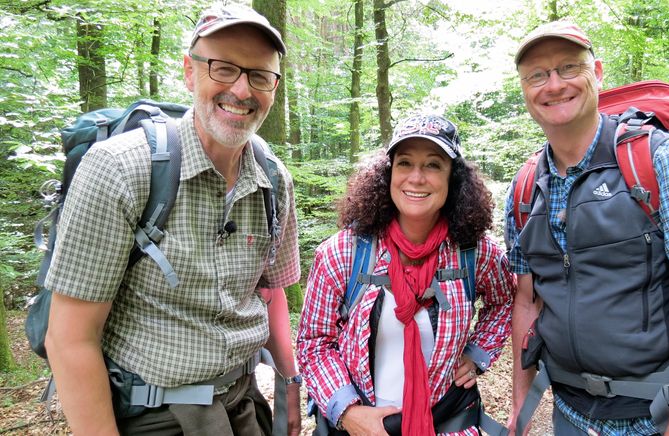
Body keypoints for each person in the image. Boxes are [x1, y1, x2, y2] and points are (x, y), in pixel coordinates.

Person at [44, 4, 302, 435]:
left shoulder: (274, 180)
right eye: (223, 68)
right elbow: (70, 339)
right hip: (155, 416)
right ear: (189, 71)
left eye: (259, 76)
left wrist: (289, 382)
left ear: (274, 87)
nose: (242, 90)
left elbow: (269, 291)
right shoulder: (120, 169)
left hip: (243, 405)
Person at [505, 20, 669, 435]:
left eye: (568, 68)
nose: (554, 84)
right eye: (537, 75)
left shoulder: (660, 162)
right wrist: (521, 403)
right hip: (570, 414)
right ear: (524, 89)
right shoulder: (526, 187)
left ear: (597, 73)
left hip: (658, 416)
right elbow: (527, 302)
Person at [297, 114, 515, 435]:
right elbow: (313, 344)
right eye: (405, 163)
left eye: (433, 164)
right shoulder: (343, 253)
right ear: (388, 174)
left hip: (447, 421)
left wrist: (477, 353)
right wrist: (347, 410)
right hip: (360, 426)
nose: (416, 177)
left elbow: (505, 301)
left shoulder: (474, 253)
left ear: (452, 177)